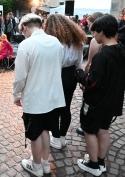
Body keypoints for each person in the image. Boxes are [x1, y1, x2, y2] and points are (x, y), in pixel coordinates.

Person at [76, 15, 125, 176]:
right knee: (103, 130)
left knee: (89, 130)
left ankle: (93, 164)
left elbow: (91, 82)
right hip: (113, 100)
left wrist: (79, 74)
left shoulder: (102, 56)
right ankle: (100, 161)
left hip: (96, 102)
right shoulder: (122, 51)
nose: (93, 37)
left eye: (95, 33)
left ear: (102, 32)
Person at [13, 14, 65, 177]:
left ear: (25, 28)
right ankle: (44, 163)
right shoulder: (55, 42)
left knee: (35, 134)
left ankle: (36, 166)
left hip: (35, 96)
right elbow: (59, 64)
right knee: (46, 130)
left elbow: (20, 76)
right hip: (53, 96)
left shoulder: (26, 44)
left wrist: (16, 94)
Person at [44, 14, 86, 149]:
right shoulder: (76, 39)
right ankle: (62, 136)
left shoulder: (52, 41)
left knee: (54, 109)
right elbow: (79, 62)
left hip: (56, 74)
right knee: (66, 107)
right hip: (70, 75)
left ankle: (56, 137)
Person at [76, 12, 104, 136]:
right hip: (104, 79)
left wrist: (84, 78)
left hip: (94, 77)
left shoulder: (95, 40)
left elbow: (90, 62)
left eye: (89, 23)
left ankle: (86, 127)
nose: (88, 26)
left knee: (89, 103)